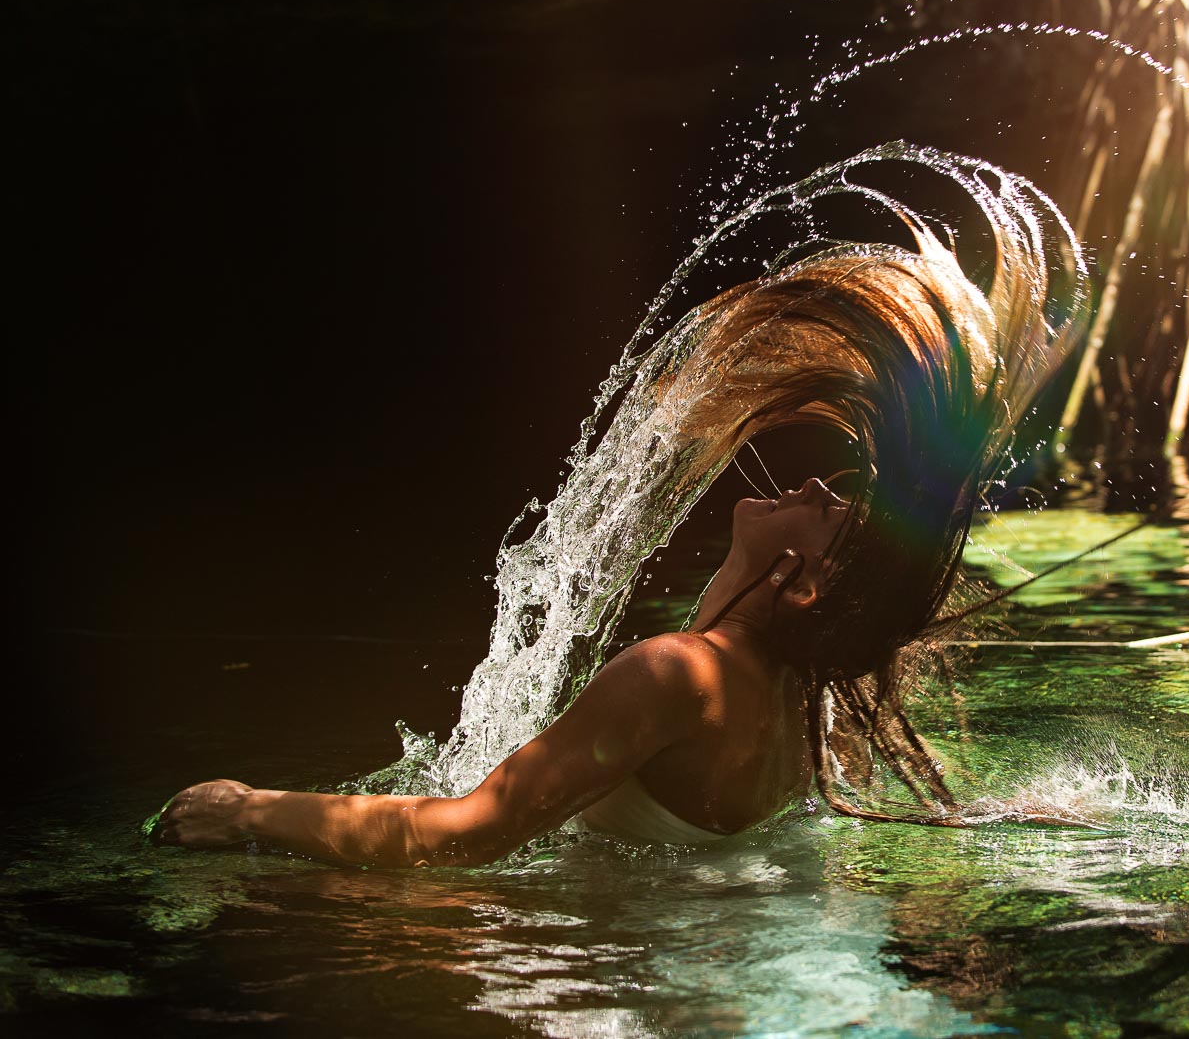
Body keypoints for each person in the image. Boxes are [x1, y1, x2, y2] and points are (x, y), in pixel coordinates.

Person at [157, 175, 1093, 865]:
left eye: (831, 515)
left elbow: (463, 833)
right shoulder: (801, 704)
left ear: (807, 583)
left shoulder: (676, 673)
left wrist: (250, 808)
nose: (813, 491)